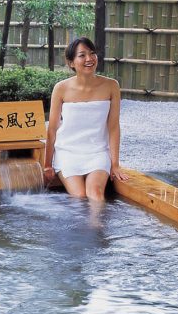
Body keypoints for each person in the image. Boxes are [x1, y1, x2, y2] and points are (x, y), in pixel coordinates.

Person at [43, 37, 129, 200]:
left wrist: (115, 164)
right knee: (79, 196)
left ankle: (97, 226)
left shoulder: (111, 86)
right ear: (71, 62)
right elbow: (52, 129)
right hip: (67, 152)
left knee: (95, 193)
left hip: (97, 152)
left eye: (92, 53)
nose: (89, 59)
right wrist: (47, 165)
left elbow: (113, 127)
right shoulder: (61, 88)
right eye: (82, 55)